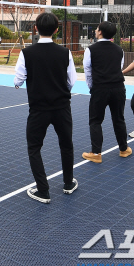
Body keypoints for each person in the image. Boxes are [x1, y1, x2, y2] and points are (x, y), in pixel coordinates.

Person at [14, 12, 78, 203]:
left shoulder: (26, 53)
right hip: (62, 107)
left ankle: (43, 190)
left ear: (35, 28)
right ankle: (68, 183)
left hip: (38, 109)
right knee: (66, 145)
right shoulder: (65, 52)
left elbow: (18, 80)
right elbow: (72, 81)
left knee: (34, 148)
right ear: (57, 30)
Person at [81, 22, 131, 164]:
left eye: (97, 29)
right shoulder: (119, 50)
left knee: (95, 120)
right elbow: (119, 68)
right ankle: (123, 149)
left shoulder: (90, 50)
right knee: (119, 118)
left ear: (100, 32)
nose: (96, 31)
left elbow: (88, 71)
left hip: (100, 89)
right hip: (118, 88)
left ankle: (96, 153)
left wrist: (92, 87)